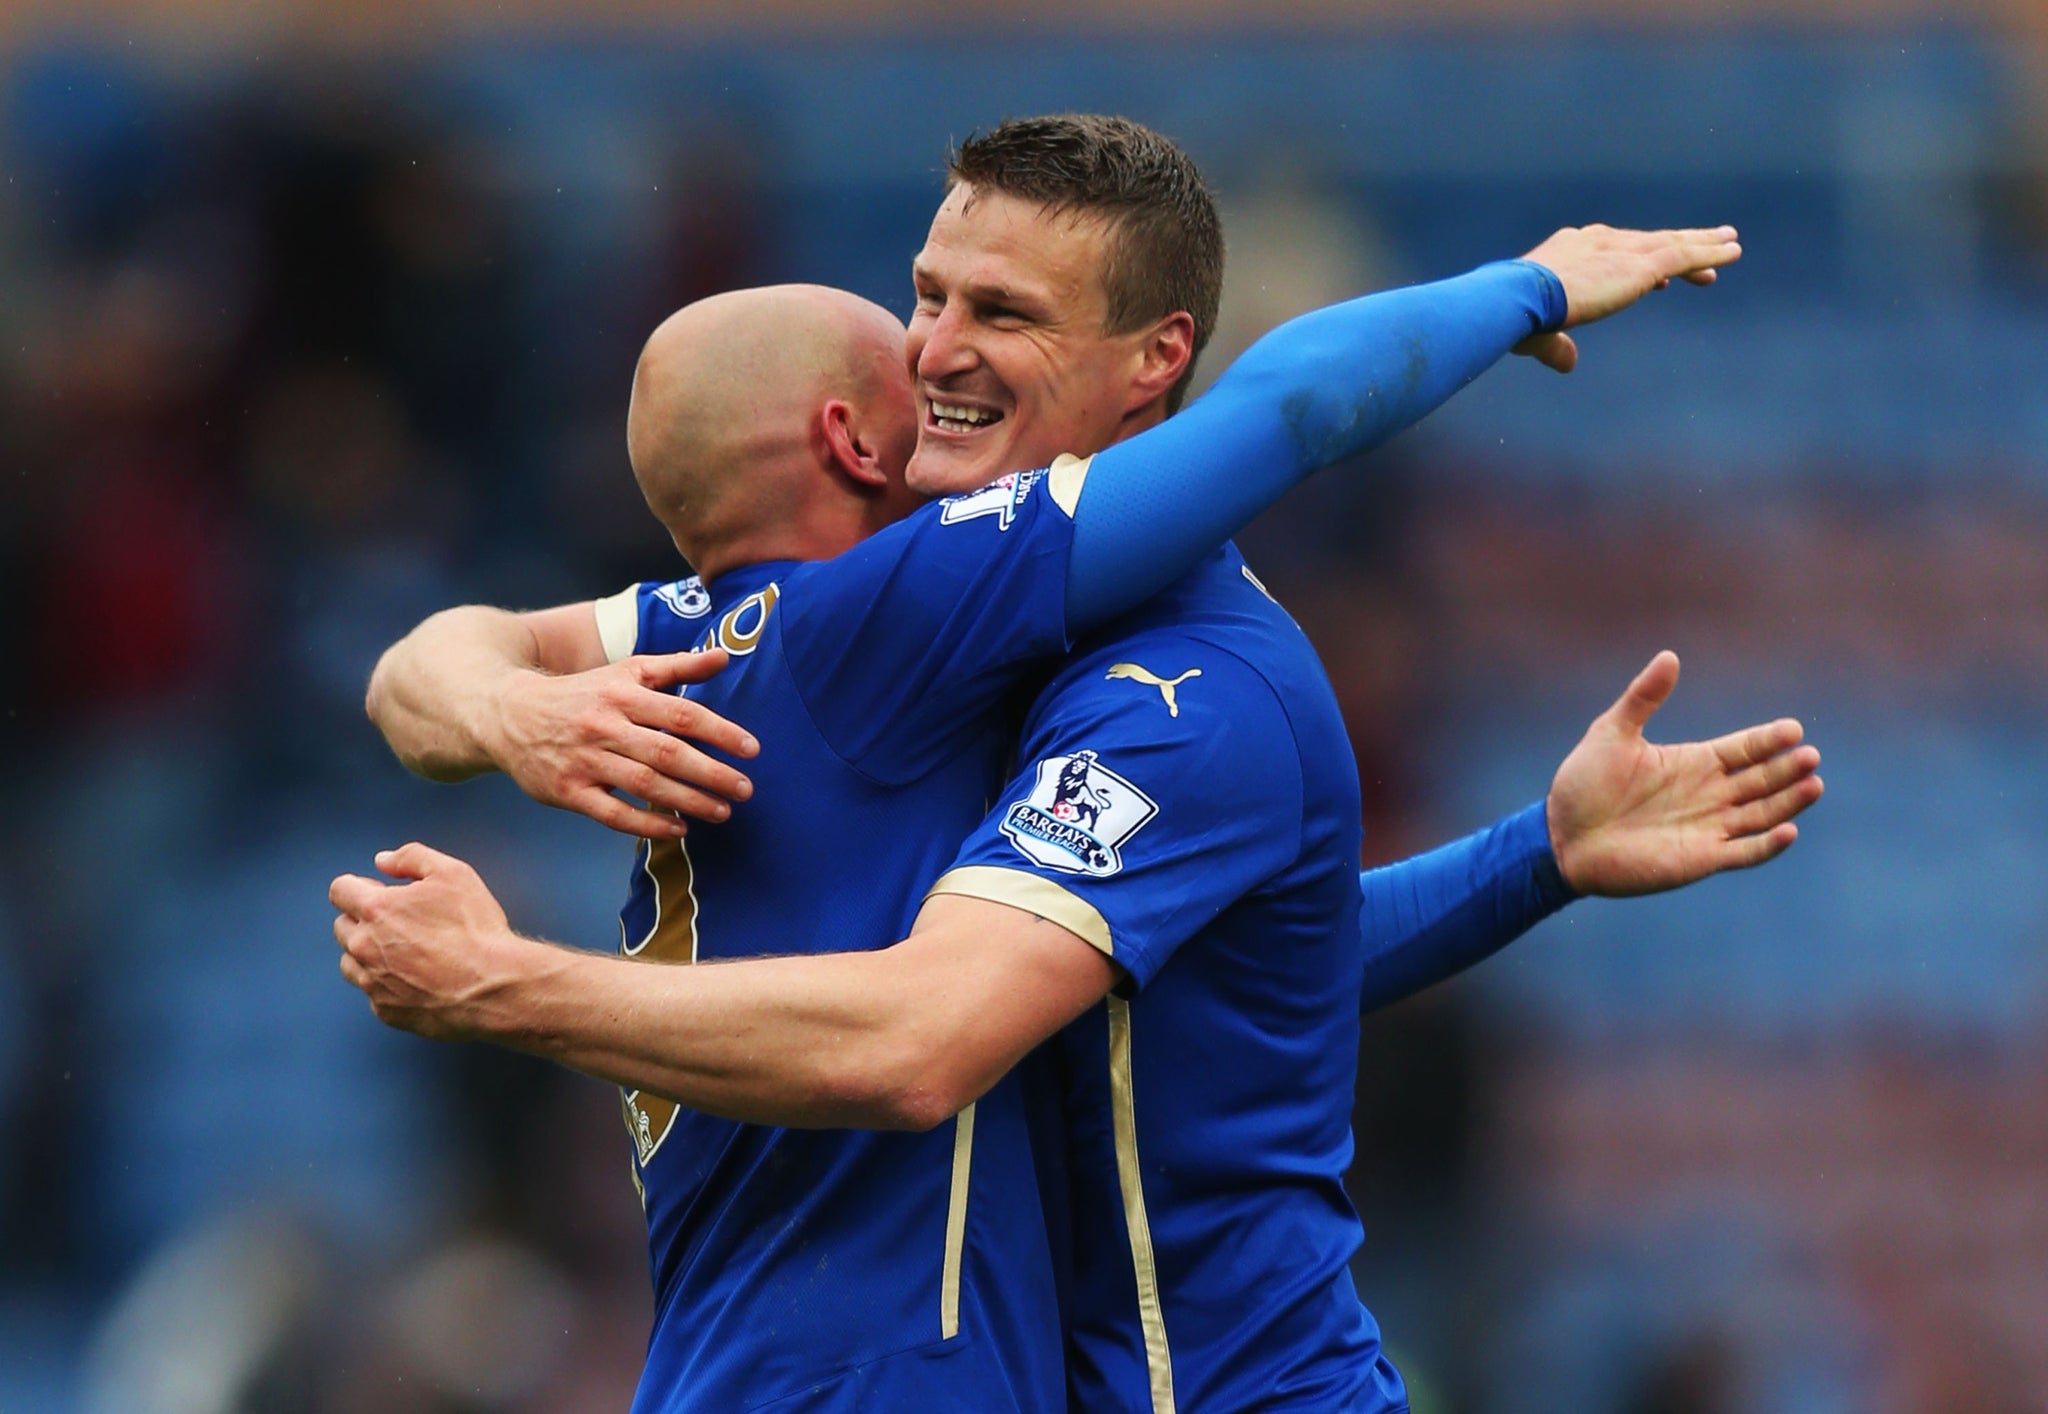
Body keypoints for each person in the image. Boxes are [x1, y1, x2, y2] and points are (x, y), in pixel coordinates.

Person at [340, 117, 1809, 1411]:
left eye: (1002, 310)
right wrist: (510, 714)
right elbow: (430, 661)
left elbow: (1284, 416)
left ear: (1155, 358)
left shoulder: (1173, 689)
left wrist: (1524, 286)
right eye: (925, 295)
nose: (935, 347)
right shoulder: (890, 616)